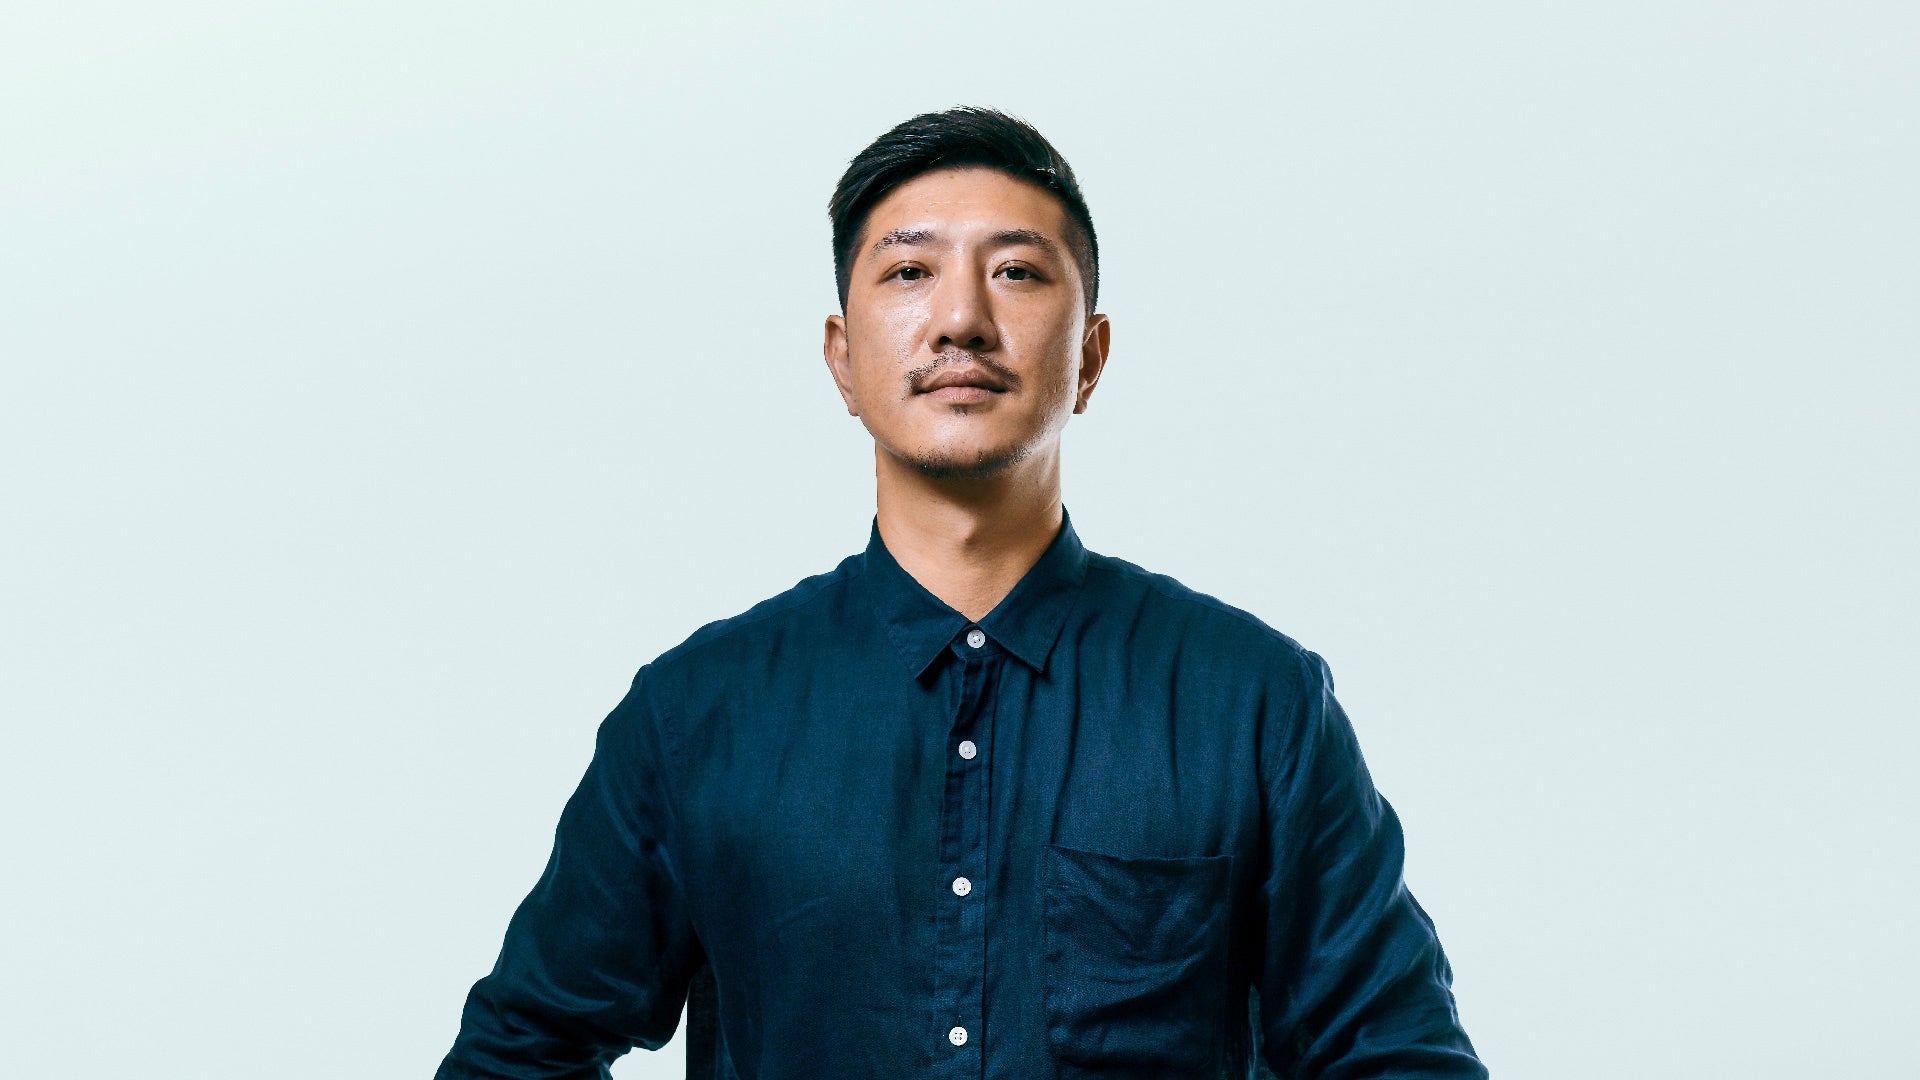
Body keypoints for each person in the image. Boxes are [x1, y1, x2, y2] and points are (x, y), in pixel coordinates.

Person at [434, 106, 1485, 1079]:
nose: (961, 319)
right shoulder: (697, 714)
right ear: (843, 361)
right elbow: (519, 1054)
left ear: (1091, 357)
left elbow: (1398, 1055)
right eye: (909, 272)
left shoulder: (1251, 703)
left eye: (1017, 272)